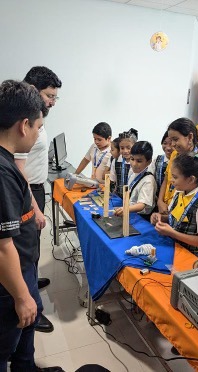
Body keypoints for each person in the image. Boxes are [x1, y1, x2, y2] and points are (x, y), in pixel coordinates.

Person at [0, 80, 64, 372]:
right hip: (9, 283)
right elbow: (2, 246)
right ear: (24, 125)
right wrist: (23, 297)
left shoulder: (7, 162)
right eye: (38, 127)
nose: (39, 133)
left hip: (21, 266)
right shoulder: (3, 173)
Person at [14, 66, 62, 333]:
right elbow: (18, 170)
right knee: (26, 251)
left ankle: (32, 283)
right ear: (33, 89)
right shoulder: (23, 119)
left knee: (32, 250)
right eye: (49, 95)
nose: (52, 102)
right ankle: (35, 310)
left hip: (37, 187)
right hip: (28, 191)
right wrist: (35, 208)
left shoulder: (36, 114)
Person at [151, 153, 198, 258]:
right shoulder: (179, 192)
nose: (171, 180)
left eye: (175, 177)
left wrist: (172, 233)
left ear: (191, 179)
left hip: (190, 257)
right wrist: (161, 218)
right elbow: (175, 219)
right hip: (173, 249)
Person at [157, 118, 198, 214]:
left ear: (190, 137)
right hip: (164, 206)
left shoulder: (197, 162)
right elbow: (167, 178)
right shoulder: (174, 154)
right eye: (171, 140)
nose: (172, 145)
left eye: (175, 140)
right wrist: (160, 201)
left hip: (181, 212)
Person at [114, 141, 156, 219]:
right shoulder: (132, 171)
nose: (134, 164)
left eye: (139, 161)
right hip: (129, 211)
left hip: (141, 217)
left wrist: (126, 209)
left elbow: (141, 205)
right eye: (132, 159)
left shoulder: (149, 180)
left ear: (149, 162)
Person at [110, 128, 138, 198]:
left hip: (133, 200)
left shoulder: (138, 163)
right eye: (122, 148)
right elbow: (112, 180)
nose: (125, 151)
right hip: (118, 198)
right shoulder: (116, 161)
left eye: (129, 148)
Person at [149, 130, 173, 197]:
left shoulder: (179, 161)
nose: (168, 148)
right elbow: (150, 176)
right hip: (156, 197)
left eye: (171, 144)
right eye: (165, 143)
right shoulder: (157, 160)